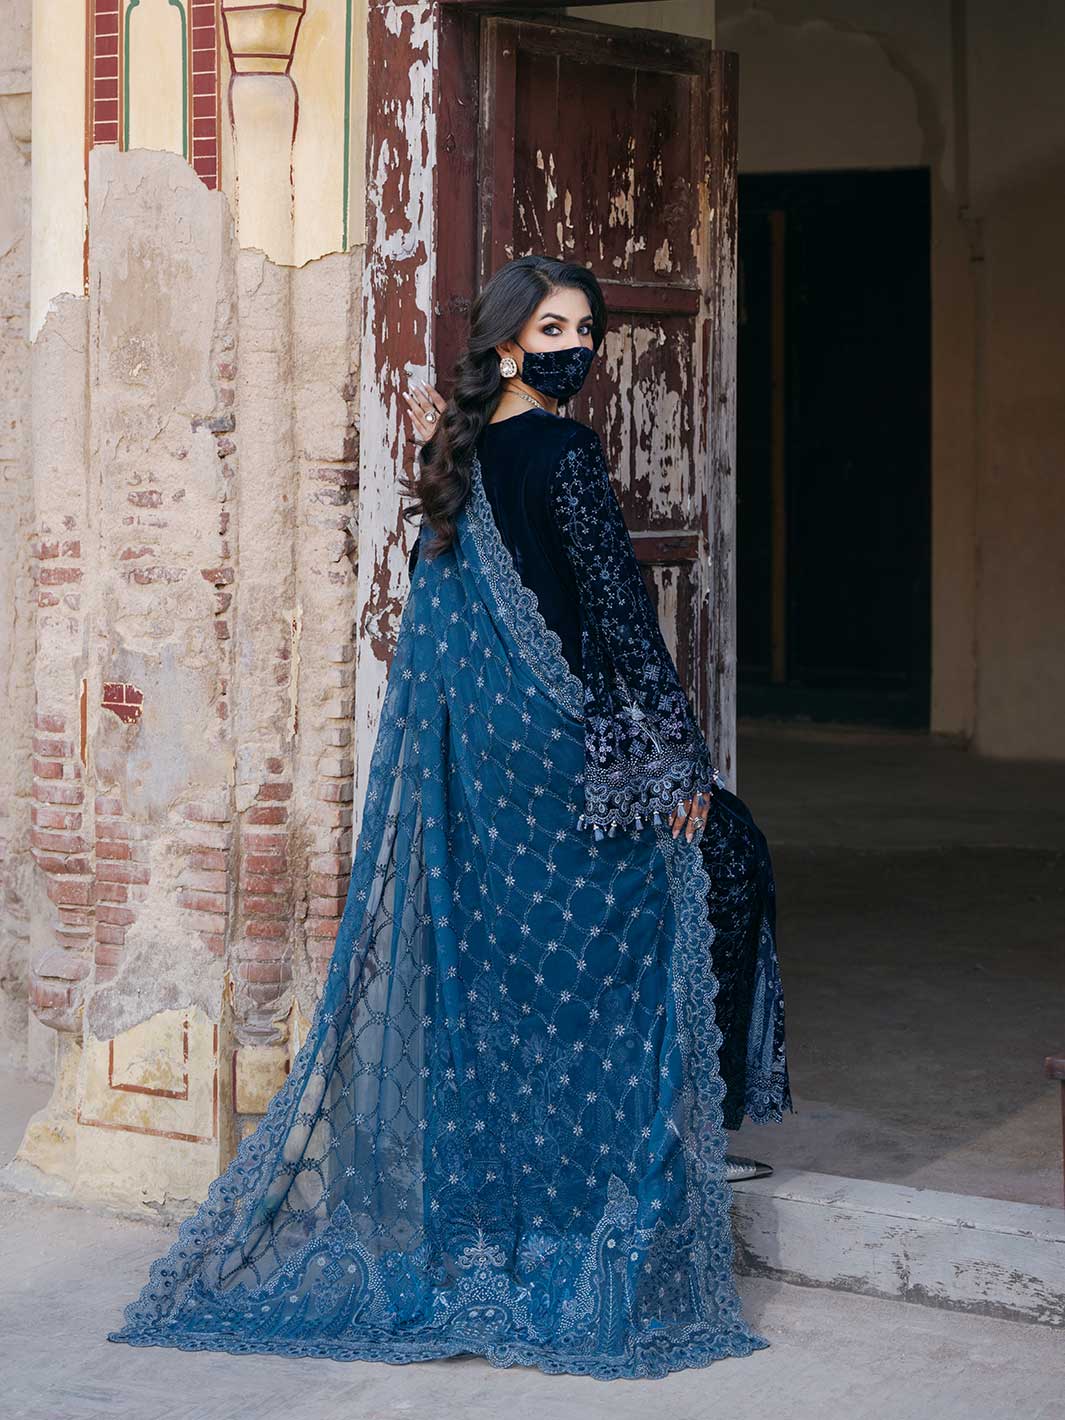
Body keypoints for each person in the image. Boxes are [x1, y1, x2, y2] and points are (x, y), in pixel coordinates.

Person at [106, 254, 792, 1381]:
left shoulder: (457, 450)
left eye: (587, 328)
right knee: (715, 855)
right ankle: (665, 1155)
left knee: (527, 951)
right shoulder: (563, 452)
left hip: (489, 752)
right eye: (555, 329)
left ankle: (558, 1175)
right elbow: (617, 610)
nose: (578, 347)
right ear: (511, 342)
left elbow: (449, 611)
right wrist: (674, 759)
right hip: (564, 740)